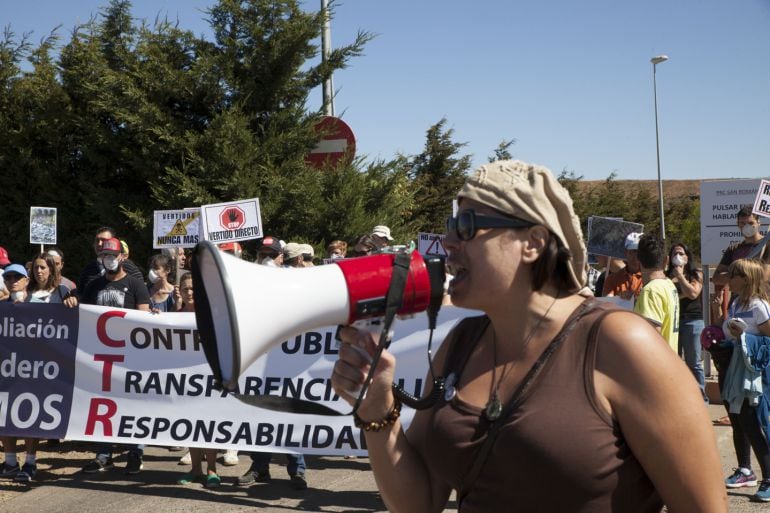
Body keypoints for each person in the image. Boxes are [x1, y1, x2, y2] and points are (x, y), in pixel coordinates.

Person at [332, 160, 726, 512]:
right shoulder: (461, 344)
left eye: (467, 226)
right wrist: (377, 411)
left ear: (533, 242)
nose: (448, 242)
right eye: (452, 226)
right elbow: (417, 506)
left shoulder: (619, 343)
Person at [65, 237, 150, 474]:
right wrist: (71, 299)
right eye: (104, 255)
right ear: (99, 258)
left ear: (122, 257)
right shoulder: (94, 286)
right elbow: (82, 310)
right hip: (101, 359)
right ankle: (104, 454)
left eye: (112, 255)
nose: (109, 260)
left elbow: (144, 319)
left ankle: (135, 453)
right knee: (102, 405)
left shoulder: (135, 285)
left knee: (131, 406)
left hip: (130, 358)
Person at [237, 241, 308, 491]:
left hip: (288, 362)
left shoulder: (295, 282)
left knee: (290, 417)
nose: (266, 258)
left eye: (271, 254)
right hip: (258, 361)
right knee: (259, 418)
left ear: (281, 256)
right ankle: (259, 467)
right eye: (261, 254)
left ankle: (297, 471)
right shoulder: (248, 281)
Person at [717, 258, 770, 501]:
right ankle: (746, 471)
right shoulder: (737, 303)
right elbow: (726, 328)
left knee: (754, 423)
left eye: (734, 274)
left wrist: (745, 338)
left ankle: (768, 478)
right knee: (739, 420)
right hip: (737, 371)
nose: (729, 278)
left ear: (746, 279)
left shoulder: (760, 306)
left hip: (755, 376)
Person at [172, 272, 222, 487]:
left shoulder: (211, 314)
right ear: (180, 292)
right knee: (190, 424)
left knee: (208, 424)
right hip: (184, 379)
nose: (190, 292)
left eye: (193, 289)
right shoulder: (175, 315)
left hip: (208, 376)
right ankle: (195, 469)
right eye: (185, 289)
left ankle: (212, 469)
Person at [0, 264, 41, 481]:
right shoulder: (1, 307)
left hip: (32, 372)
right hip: (6, 370)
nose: (13, 280)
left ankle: (31, 463)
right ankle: (10, 462)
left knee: (29, 418)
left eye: (18, 276)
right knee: (3, 415)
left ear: (27, 280)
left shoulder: (40, 306)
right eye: (8, 277)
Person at [666, 242, 707, 400]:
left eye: (681, 253)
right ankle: (678, 398)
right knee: (674, 361)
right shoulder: (666, 276)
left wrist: (680, 276)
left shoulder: (695, 273)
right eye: (675, 253)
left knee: (694, 363)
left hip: (692, 323)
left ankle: (701, 399)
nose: (678, 256)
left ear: (687, 256)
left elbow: (693, 293)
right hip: (673, 322)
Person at [633, 233, 679, 353]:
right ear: (666, 260)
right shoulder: (669, 284)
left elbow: (651, 339)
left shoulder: (651, 291)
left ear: (639, 261)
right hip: (669, 360)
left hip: (656, 366)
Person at [78, 226, 143, 294]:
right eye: (97, 240)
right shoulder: (89, 268)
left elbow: (141, 292)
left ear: (114, 242)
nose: (99, 244)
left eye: (104, 240)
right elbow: (80, 294)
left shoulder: (128, 266)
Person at [602, 231, 643, 300]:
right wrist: (618, 299)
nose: (636, 256)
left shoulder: (652, 279)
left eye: (640, 251)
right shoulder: (612, 279)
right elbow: (606, 303)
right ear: (626, 252)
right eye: (633, 251)